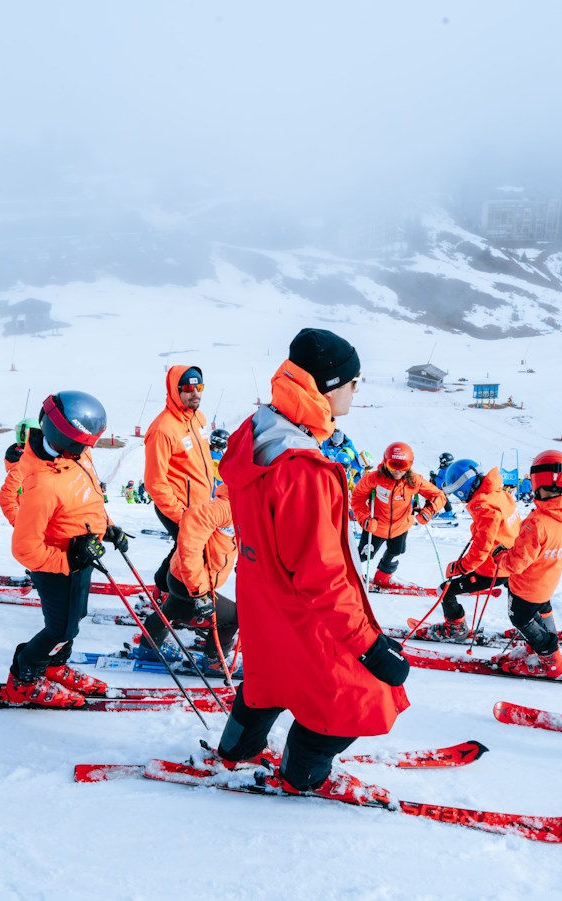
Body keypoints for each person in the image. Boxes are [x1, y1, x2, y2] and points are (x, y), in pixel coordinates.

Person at [215, 327, 409, 798]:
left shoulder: (257, 432)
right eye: (352, 381)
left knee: (270, 676)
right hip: (303, 612)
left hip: (264, 600)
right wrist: (370, 647)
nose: (356, 390)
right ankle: (303, 774)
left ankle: (236, 749)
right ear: (327, 385)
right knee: (361, 694)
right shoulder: (302, 468)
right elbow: (322, 577)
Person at [5, 391, 130, 706]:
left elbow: (90, 498)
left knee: (75, 619)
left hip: (82, 554)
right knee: (58, 629)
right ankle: (23, 680)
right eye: (84, 442)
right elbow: (25, 549)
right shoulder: (43, 486)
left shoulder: (77, 457)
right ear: (66, 440)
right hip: (57, 567)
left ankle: (55, 667)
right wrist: (68, 560)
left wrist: (106, 526)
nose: (89, 448)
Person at [491, 450, 562, 677]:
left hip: (525, 588)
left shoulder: (537, 523)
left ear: (537, 482)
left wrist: (498, 555)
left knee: (520, 618)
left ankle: (550, 657)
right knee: (541, 609)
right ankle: (539, 647)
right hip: (547, 584)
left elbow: (516, 564)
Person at [140, 483, 239, 672]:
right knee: (234, 617)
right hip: (191, 582)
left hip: (181, 577)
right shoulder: (228, 505)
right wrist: (199, 592)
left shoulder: (242, 505)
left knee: (172, 609)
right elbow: (194, 521)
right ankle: (213, 661)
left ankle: (148, 648)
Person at [428, 460, 521, 639]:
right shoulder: (500, 494)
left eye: (459, 494)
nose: (461, 499)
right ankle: (534, 629)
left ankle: (455, 628)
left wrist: (461, 567)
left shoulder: (484, 506)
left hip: (492, 570)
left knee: (444, 591)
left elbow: (482, 547)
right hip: (511, 562)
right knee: (522, 599)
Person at [144, 365, 214, 596]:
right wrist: (180, 513)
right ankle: (173, 596)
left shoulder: (198, 418)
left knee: (182, 550)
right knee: (192, 554)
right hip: (178, 507)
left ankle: (161, 590)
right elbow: (154, 481)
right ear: (176, 391)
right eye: (187, 388)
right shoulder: (163, 429)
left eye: (199, 387)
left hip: (199, 506)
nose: (195, 393)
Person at [351, 442, 447, 588]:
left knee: (396, 552)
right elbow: (357, 498)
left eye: (403, 466)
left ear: (409, 466)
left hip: (400, 527)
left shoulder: (414, 481)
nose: (397, 470)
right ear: (385, 462)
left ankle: (383, 577)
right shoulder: (374, 478)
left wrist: (429, 510)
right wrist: (364, 518)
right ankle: (350, 575)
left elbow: (439, 496)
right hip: (375, 527)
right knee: (363, 555)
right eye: (392, 464)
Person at [0, 417, 39, 526]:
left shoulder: (31, 459)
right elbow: (6, 497)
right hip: (35, 522)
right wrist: (21, 524)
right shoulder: (21, 465)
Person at [209, 428, 229, 496]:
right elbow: (220, 476)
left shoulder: (217, 452)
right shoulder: (212, 457)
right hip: (215, 492)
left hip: (219, 488)